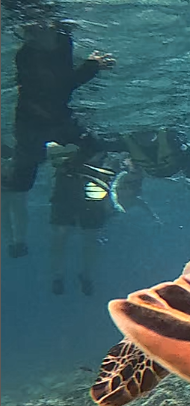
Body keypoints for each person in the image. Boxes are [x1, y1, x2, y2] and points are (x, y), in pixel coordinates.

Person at [0, 19, 115, 258]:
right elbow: (60, 87)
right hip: (33, 125)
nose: (40, 33)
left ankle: (68, 166)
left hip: (56, 121)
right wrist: (92, 66)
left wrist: (91, 66)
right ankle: (12, 172)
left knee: (92, 146)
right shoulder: (27, 56)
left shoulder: (62, 40)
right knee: (21, 181)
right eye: (35, 30)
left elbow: (64, 85)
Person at [45, 138, 118, 295]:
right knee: (64, 237)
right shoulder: (68, 141)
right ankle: (63, 276)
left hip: (83, 192)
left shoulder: (93, 143)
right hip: (70, 191)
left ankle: (81, 275)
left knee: (83, 238)